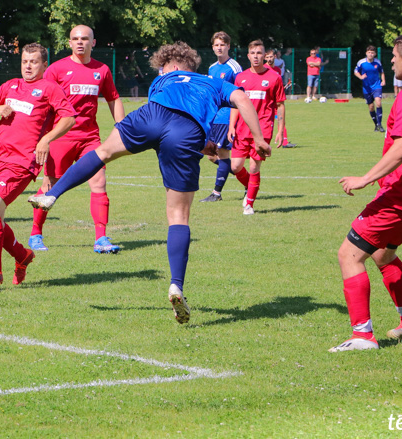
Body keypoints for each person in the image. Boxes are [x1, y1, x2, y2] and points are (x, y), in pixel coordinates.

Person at [29, 42, 271, 323]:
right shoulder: (213, 82)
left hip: (151, 116)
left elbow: (165, 120)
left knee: (103, 153)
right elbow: (241, 101)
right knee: (178, 215)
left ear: (173, 66)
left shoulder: (160, 81)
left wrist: (199, 144)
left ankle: (52, 194)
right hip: (187, 131)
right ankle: (176, 285)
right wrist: (259, 138)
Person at [330, 32, 402, 352]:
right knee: (383, 254)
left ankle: (362, 336)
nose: (392, 61)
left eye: (395, 56)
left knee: (349, 255)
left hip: (401, 194)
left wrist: (365, 179)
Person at [0, 43, 76, 287]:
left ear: (44, 65)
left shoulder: (49, 88)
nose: (28, 66)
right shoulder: (10, 86)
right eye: (24, 61)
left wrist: (46, 139)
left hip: (23, 161)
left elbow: (70, 118)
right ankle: (22, 256)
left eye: (33, 62)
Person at [28, 25, 125, 253]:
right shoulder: (56, 69)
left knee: (99, 182)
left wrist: (122, 128)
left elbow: (113, 98)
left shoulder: (101, 69)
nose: (80, 42)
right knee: (50, 186)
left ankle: (101, 238)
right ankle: (35, 234)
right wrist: (41, 137)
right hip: (60, 138)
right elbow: (43, 102)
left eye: (84, 38)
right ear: (69, 43)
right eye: (75, 38)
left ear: (93, 42)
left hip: (89, 138)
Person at [229, 40, 286, 215]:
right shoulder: (241, 78)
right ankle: (250, 186)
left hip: (262, 130)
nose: (256, 56)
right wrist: (231, 126)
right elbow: (235, 104)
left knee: (254, 167)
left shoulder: (274, 77)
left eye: (259, 53)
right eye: (253, 53)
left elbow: (280, 105)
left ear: (265, 56)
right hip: (241, 129)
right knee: (235, 167)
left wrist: (280, 131)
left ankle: (250, 204)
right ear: (248, 56)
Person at [199, 31, 243, 203]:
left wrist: (235, 119)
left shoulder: (234, 67)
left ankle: (216, 193)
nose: (219, 48)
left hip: (226, 116)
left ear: (228, 46)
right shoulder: (212, 67)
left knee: (223, 153)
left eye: (222, 45)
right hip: (214, 116)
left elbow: (240, 94)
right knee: (210, 155)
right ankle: (244, 176)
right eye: (216, 45)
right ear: (212, 47)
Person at [265, 50, 295, 148]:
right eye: (267, 57)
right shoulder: (264, 68)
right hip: (266, 101)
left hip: (275, 101)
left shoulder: (277, 69)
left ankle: (284, 141)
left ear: (274, 57)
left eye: (271, 57)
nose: (269, 59)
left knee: (280, 119)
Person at [354, 46, 386, 132]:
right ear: (366, 53)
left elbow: (382, 72)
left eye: (372, 53)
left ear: (375, 54)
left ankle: (380, 124)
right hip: (366, 87)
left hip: (377, 86)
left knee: (378, 103)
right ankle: (376, 124)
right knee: (371, 107)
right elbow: (355, 71)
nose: (370, 54)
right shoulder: (361, 62)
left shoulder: (377, 62)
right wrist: (360, 77)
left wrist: (383, 80)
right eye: (369, 52)